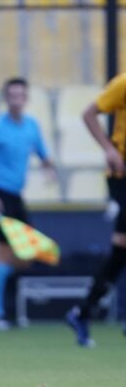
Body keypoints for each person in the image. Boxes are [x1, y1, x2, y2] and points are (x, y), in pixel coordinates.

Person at [0, 77, 56, 331]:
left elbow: (43, 154)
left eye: (21, 96)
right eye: (12, 96)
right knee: (0, 254)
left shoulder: (32, 126)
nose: (16, 100)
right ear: (6, 99)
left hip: (16, 198)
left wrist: (49, 169)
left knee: (26, 256)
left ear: (26, 98)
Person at [66, 72, 126, 347]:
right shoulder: (123, 84)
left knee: (120, 252)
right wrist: (109, 149)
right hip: (121, 174)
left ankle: (81, 313)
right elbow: (89, 113)